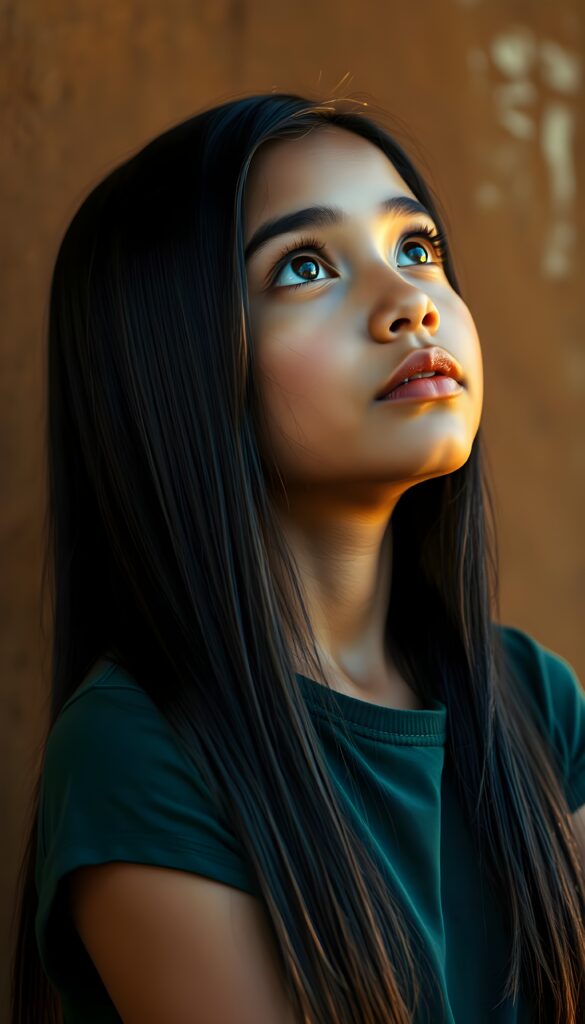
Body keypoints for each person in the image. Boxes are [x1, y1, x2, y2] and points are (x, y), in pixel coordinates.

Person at [9, 92, 585, 1024]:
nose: (410, 306)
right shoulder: (140, 753)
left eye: (417, 248)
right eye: (305, 266)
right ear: (177, 366)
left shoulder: (532, 702)